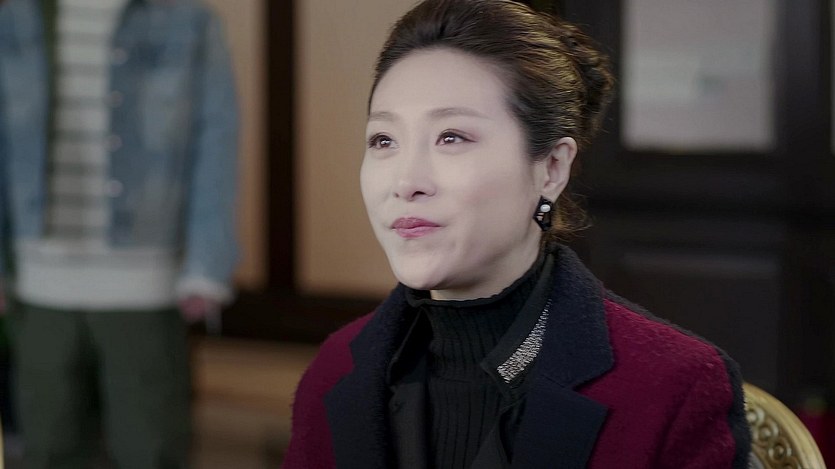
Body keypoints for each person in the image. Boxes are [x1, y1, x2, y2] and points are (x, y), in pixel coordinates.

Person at [284, 0, 751, 468]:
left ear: (551, 168)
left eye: (451, 137)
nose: (406, 182)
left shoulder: (673, 386)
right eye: (383, 140)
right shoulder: (336, 370)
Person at [0, 0, 239, 466]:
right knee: (48, 449)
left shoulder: (188, 20)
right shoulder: (14, 16)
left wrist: (208, 263)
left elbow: (216, 141)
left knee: (150, 449)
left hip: (145, 287)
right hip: (38, 284)